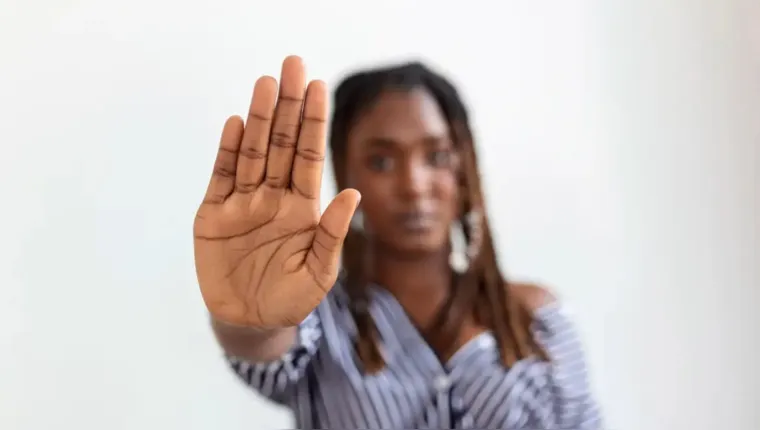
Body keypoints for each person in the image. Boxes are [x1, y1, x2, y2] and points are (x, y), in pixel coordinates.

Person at [193, 55, 602, 429]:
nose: (414, 185)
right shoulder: (320, 323)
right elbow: (263, 340)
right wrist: (250, 319)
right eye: (382, 162)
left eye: (436, 156)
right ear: (346, 173)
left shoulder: (536, 321)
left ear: (464, 169)